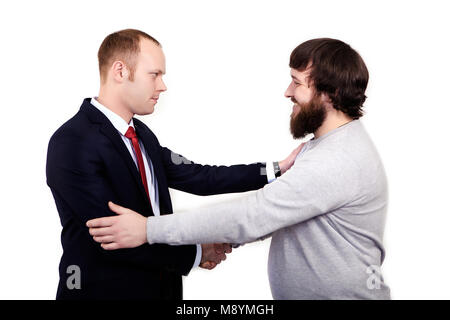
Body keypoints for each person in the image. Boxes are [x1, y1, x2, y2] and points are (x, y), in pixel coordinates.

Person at [87, 38, 391, 300]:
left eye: (297, 82)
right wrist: (219, 241)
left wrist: (148, 229)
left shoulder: (336, 159)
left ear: (330, 94)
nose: (287, 92)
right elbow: (267, 210)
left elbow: (254, 215)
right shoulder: (321, 146)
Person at [46, 29, 301, 300]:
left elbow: (199, 177)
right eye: (154, 75)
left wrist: (276, 169)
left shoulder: (142, 135)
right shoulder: (72, 141)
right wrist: (197, 253)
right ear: (120, 71)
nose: (162, 86)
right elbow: (111, 237)